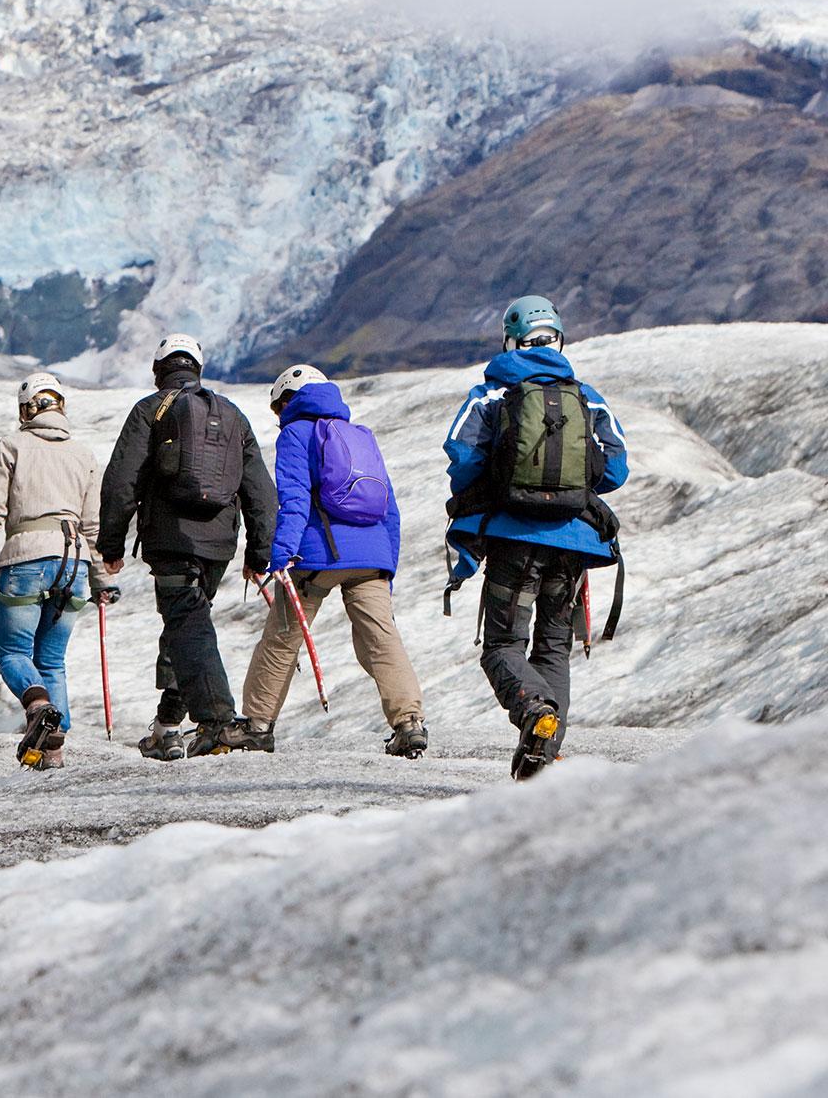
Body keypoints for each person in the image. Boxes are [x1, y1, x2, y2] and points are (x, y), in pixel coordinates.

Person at [443, 295, 628, 781]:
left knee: (503, 644)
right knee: (552, 648)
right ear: (559, 339)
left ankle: (532, 712)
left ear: (510, 340)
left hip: (513, 537)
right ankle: (545, 759)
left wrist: (502, 485)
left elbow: (462, 458)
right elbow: (617, 468)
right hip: (573, 542)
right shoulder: (585, 396)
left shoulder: (490, 394)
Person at [98, 333, 276, 760]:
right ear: (198, 368)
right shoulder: (232, 415)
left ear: (159, 370)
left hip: (172, 537)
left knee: (188, 626)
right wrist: (259, 552)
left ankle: (216, 722)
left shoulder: (151, 409)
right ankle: (167, 727)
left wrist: (110, 542)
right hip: (218, 544)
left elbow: (123, 479)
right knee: (185, 625)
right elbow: (260, 491)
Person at [239, 364, 427, 757]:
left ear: (288, 400)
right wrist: (387, 566)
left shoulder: (296, 434)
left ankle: (257, 726)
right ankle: (409, 723)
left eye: (277, 408)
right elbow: (389, 508)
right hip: (371, 556)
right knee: (382, 639)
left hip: (317, 555)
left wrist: (281, 555)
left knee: (281, 639)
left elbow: (291, 502)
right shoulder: (361, 435)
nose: (278, 417)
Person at [0, 374, 103, 771]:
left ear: (27, 409)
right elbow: (92, 528)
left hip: (26, 558)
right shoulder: (84, 454)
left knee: (13, 654)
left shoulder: (12, 447)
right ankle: (53, 750)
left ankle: (39, 708)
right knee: (52, 660)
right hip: (74, 562)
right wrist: (103, 581)